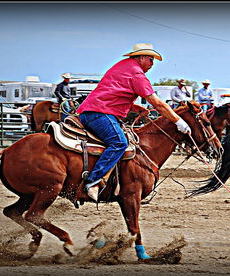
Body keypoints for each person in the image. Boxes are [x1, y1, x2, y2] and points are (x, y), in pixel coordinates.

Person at [76, 43, 191, 207]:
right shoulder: (136, 74)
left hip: (92, 110)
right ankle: (92, 182)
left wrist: (133, 107)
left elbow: (112, 92)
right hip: (100, 113)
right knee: (119, 143)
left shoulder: (121, 67)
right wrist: (178, 121)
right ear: (142, 57)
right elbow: (158, 104)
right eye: (151, 60)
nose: (152, 64)